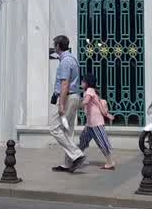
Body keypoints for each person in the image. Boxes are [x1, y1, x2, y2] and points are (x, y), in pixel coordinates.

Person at [49, 35, 86, 173]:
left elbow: (65, 84)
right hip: (73, 96)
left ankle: (77, 155)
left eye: (54, 44)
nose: (54, 47)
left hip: (68, 98)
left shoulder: (65, 62)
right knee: (67, 131)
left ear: (58, 46)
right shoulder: (73, 59)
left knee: (54, 128)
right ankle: (68, 164)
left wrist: (61, 105)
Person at [78, 74, 116, 170]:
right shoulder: (92, 91)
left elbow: (86, 101)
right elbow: (99, 105)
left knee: (102, 142)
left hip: (96, 123)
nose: (81, 83)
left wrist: (76, 105)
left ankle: (110, 162)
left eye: (83, 81)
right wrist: (107, 115)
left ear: (87, 83)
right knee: (83, 139)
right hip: (90, 123)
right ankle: (77, 158)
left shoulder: (90, 90)